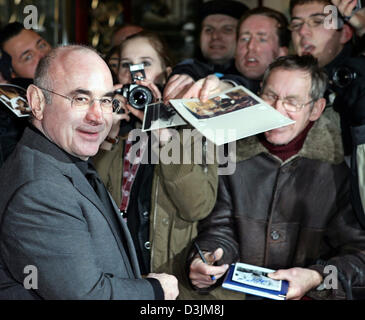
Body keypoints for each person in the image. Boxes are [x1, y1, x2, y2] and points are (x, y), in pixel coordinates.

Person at [0, 44, 179, 300]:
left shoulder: (61, 160)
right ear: (37, 102)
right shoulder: (40, 190)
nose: (97, 116)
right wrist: (155, 291)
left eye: (106, 100)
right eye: (80, 99)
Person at [188, 55, 365, 300]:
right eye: (270, 96)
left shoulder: (341, 170)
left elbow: (359, 256)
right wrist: (208, 259)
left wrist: (316, 277)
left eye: (292, 102)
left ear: (316, 109)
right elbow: (219, 230)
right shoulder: (229, 154)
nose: (276, 109)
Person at [92, 32, 219, 300]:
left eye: (145, 64)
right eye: (126, 65)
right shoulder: (114, 131)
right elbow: (93, 198)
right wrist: (109, 131)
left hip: (172, 280)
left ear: (166, 74)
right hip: (122, 277)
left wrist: (161, 128)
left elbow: (197, 204)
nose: (135, 75)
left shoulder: (192, 127)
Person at [164, 6, 290, 100]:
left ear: (282, 52)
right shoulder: (216, 72)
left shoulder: (294, 86)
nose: (250, 46)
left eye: (262, 39)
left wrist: (226, 88)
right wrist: (184, 76)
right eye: (244, 38)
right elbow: (194, 67)